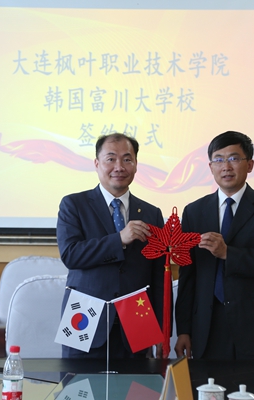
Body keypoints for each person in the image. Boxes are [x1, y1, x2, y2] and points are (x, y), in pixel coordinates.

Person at [174, 131, 254, 361]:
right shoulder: (194, 211)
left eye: (234, 158)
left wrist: (228, 253)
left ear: (250, 165)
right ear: (210, 167)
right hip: (207, 327)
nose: (226, 166)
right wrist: (184, 329)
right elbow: (188, 274)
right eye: (218, 159)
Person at [57, 133, 166, 359]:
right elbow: (71, 255)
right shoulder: (74, 204)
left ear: (136, 165)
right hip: (84, 314)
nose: (119, 167)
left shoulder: (151, 213)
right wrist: (119, 239)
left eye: (127, 159)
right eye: (111, 159)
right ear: (97, 163)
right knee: (79, 381)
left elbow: (157, 277)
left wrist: (162, 329)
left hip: (138, 318)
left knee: (137, 381)